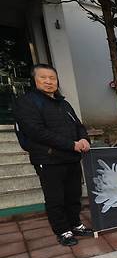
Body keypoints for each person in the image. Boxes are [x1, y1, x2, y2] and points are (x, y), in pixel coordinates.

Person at [13, 64, 94, 247]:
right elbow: (36, 131)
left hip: (71, 158)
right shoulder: (27, 102)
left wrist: (84, 138)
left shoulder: (63, 103)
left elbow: (78, 125)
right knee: (55, 197)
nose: (49, 81)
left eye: (52, 78)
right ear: (34, 80)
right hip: (48, 159)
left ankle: (75, 224)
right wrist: (71, 144)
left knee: (74, 195)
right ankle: (62, 231)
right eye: (44, 77)